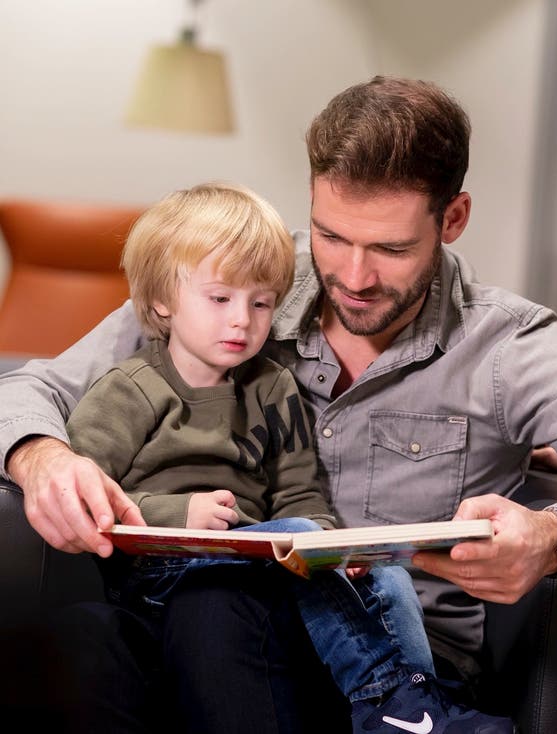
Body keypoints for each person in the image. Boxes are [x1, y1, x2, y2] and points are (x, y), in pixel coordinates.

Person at [3, 75, 557, 730]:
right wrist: (42, 459)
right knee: (80, 641)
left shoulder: (509, 348)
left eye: (390, 248)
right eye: (331, 236)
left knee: (215, 604)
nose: (354, 277)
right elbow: (31, 388)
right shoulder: (248, 279)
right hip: (186, 620)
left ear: (452, 219)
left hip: (379, 669)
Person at [56, 179, 512, 734]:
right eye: (220, 299)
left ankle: (417, 709)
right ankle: (389, 698)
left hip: (254, 567)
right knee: (293, 536)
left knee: (387, 577)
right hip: (159, 574)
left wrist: (332, 549)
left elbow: (300, 495)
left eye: (261, 303)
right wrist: (179, 514)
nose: (242, 321)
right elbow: (85, 498)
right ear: (161, 301)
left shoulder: (271, 387)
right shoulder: (129, 389)